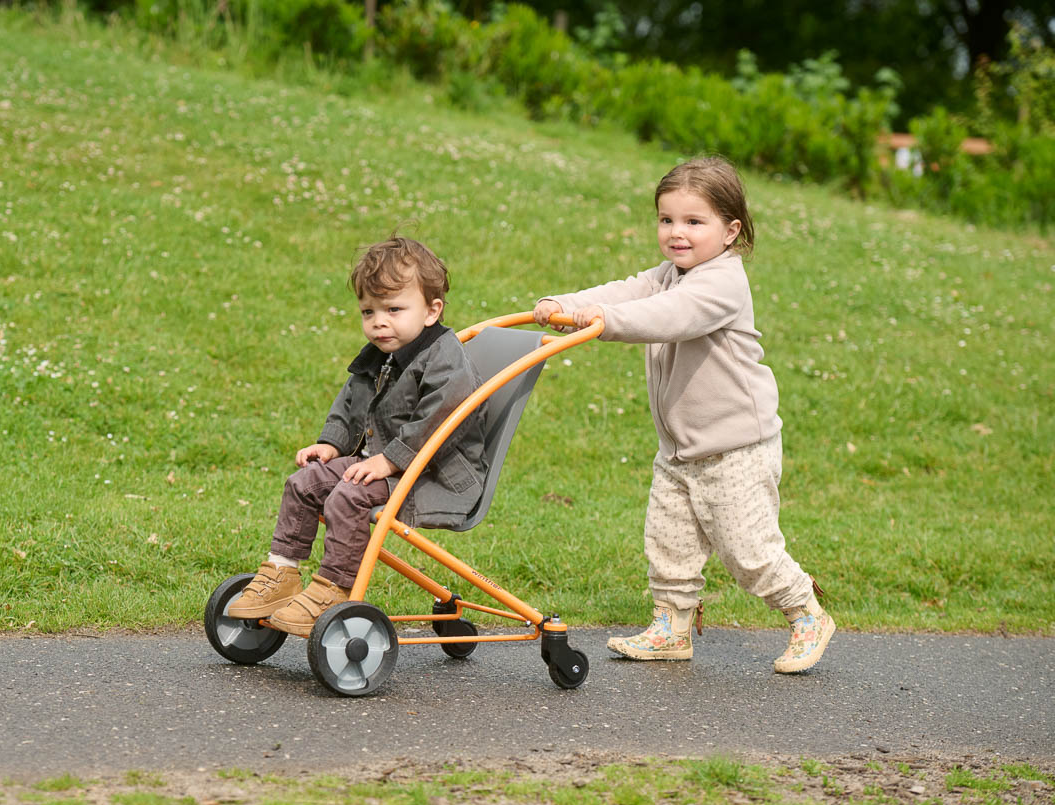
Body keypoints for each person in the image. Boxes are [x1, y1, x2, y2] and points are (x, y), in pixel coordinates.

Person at [533, 156, 835, 674]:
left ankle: (806, 614)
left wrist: (604, 323)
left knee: (748, 551)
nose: (677, 233)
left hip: (736, 447)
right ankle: (672, 626)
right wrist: (567, 302)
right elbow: (627, 290)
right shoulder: (671, 273)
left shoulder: (721, 284)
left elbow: (668, 318)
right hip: (679, 447)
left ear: (730, 230)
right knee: (668, 541)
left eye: (694, 222)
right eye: (666, 220)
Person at [228, 236, 488, 638]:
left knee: (348, 494)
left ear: (432, 311)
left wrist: (391, 459)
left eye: (394, 309)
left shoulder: (446, 360)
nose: (379, 321)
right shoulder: (383, 354)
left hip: (436, 476)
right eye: (369, 311)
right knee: (304, 483)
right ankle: (283, 573)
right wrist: (332, 443)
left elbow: (443, 417)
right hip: (388, 467)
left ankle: (334, 589)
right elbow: (351, 400)